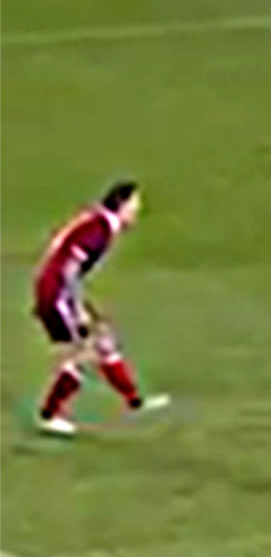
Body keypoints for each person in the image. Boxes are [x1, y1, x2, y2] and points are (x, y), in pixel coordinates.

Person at [32, 181, 168, 436]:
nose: (136, 212)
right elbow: (70, 269)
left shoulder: (97, 224)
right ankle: (49, 415)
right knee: (84, 353)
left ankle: (135, 402)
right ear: (121, 205)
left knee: (104, 340)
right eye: (134, 206)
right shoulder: (99, 229)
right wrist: (77, 307)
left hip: (57, 290)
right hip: (59, 294)